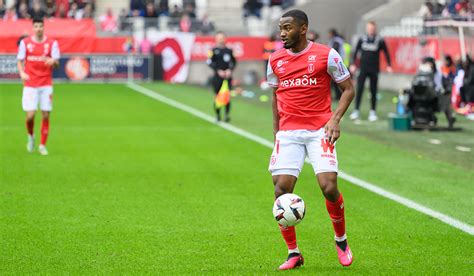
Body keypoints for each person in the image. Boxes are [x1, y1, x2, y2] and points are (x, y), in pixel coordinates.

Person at [267, 9, 355, 270]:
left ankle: (341, 240)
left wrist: (335, 119)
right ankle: (294, 253)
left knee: (328, 186)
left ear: (302, 29)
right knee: (281, 190)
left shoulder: (326, 55)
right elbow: (275, 97)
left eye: (287, 28)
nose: (282, 33)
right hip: (289, 133)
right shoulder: (275, 60)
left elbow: (348, 89)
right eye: (281, 28)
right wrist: (276, 134)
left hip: (320, 130)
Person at [17, 17, 60, 156]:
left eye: (40, 26)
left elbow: (57, 63)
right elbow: (20, 60)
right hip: (30, 83)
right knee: (30, 116)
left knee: (45, 114)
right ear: (33, 28)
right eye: (36, 26)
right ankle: (31, 136)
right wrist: (22, 73)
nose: (38, 28)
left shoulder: (52, 43)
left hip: (46, 83)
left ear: (44, 27)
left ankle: (42, 145)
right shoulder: (25, 43)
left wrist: (52, 61)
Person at [349, 21, 392, 122]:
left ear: (375, 29)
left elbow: (386, 52)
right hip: (363, 68)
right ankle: (356, 110)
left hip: (374, 69)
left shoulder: (379, 40)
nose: (371, 30)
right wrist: (353, 64)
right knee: (359, 89)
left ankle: (373, 112)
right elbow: (355, 52)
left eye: (372, 28)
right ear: (367, 29)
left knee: (373, 91)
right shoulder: (362, 39)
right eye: (369, 28)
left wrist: (389, 65)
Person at [207, 31, 236, 122]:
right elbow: (209, 62)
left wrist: (230, 70)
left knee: (227, 96)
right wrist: (218, 71)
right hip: (217, 78)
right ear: (216, 39)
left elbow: (234, 62)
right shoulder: (213, 51)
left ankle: (227, 115)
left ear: (225, 39)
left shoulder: (229, 50)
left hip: (227, 78)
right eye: (219, 38)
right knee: (218, 96)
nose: (221, 40)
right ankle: (218, 115)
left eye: (222, 38)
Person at [328, 28, 346, 100]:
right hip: (338, 63)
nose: (328, 35)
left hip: (335, 63)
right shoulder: (338, 40)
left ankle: (338, 95)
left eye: (329, 34)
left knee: (334, 80)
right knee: (335, 81)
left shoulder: (336, 41)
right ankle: (338, 95)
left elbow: (334, 51)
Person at [440, 55, 456, 128]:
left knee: (447, 106)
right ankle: (451, 119)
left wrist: (448, 89)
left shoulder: (452, 68)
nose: (445, 62)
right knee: (444, 107)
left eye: (446, 60)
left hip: (449, 90)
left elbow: (452, 79)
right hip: (443, 90)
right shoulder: (443, 68)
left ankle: (450, 120)